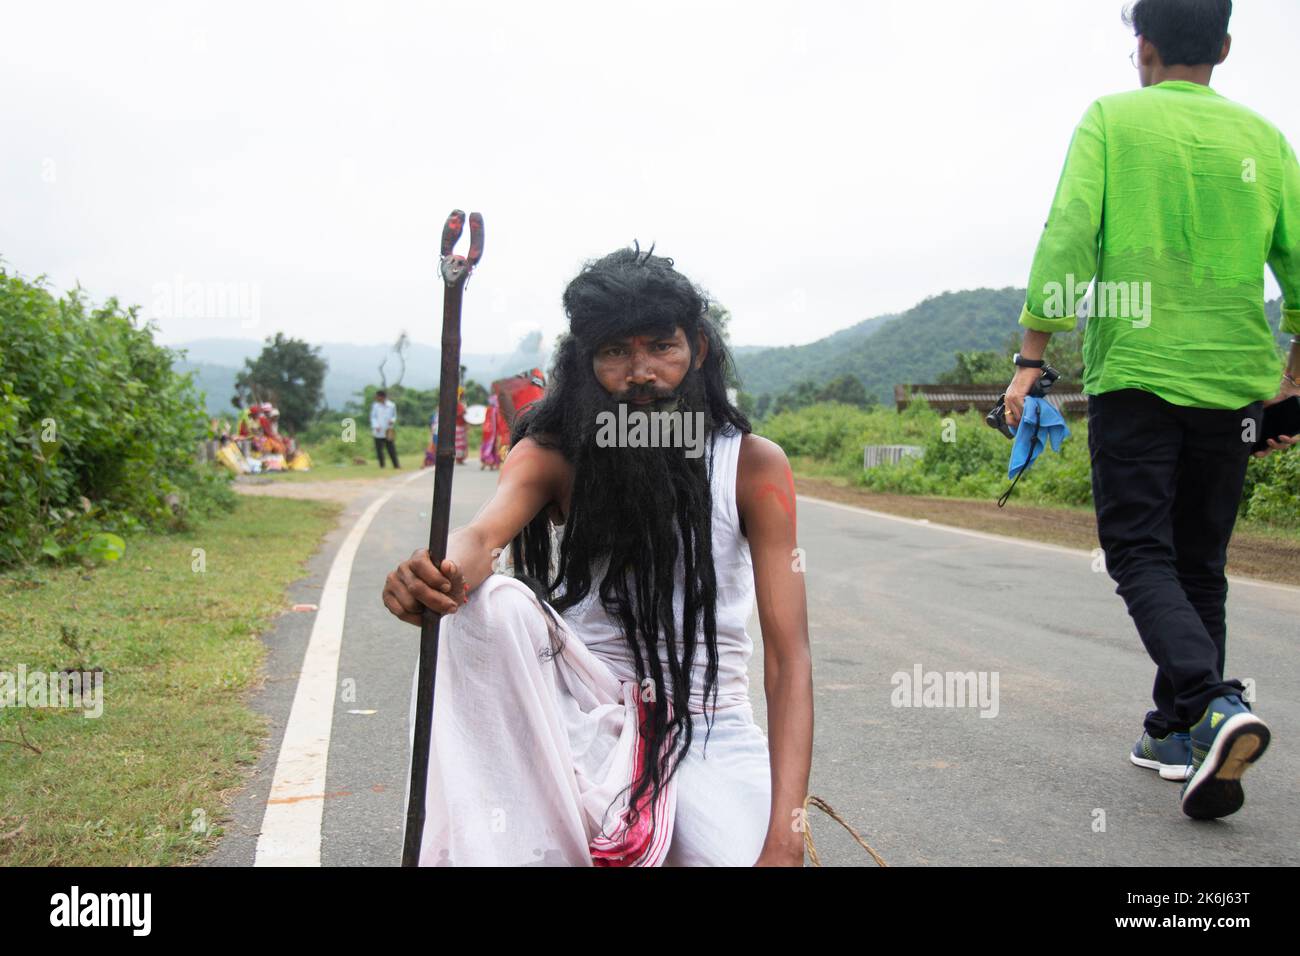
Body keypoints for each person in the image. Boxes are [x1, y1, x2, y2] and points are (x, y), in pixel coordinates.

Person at [383, 246, 813, 865]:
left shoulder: (752, 465)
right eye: (615, 352)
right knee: (489, 605)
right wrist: (435, 576)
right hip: (580, 708)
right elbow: (480, 540)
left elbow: (789, 659)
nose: (641, 373)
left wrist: (786, 833)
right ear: (584, 364)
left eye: (661, 347)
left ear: (698, 348)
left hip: (705, 724)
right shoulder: (555, 450)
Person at [1004, 0, 1299, 820]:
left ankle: (1211, 703)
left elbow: (1068, 235)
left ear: (1144, 47)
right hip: (1236, 379)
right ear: (1227, 48)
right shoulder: (1266, 140)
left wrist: (1032, 358)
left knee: (1137, 550)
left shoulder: (1112, 119)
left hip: (1139, 374)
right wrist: (1292, 379)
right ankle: (1177, 732)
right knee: (1199, 560)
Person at [370, 389, 400, 469]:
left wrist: (392, 420)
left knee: (391, 449)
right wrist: (376, 426)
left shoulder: (391, 405)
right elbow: (373, 417)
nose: (377, 398)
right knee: (379, 450)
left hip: (388, 430)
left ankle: (396, 465)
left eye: (378, 397)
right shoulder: (375, 406)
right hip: (378, 431)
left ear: (382, 397)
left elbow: (394, 416)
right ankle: (382, 465)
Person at [479, 393, 502, 470]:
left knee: (487, 447)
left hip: (487, 432)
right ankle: (492, 463)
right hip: (493, 433)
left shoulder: (489, 409)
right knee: (493, 448)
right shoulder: (497, 410)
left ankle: (486, 463)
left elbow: (486, 421)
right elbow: (498, 422)